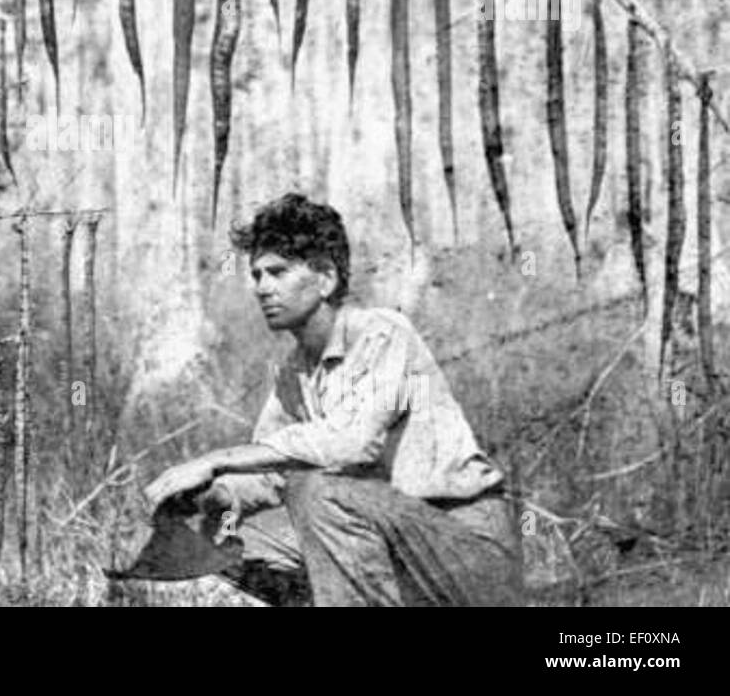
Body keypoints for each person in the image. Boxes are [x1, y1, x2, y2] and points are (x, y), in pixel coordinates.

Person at [137, 192, 525, 606]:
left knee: (317, 490)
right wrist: (210, 498)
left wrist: (215, 460)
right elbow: (267, 475)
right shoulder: (295, 371)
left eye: (278, 272)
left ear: (326, 278)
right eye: (257, 275)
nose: (262, 288)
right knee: (224, 542)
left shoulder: (384, 334)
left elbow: (351, 442)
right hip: (390, 545)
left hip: (465, 550)